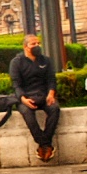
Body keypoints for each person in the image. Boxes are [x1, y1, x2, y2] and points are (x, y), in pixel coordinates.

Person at [10, 34, 60, 162]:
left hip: (44, 95)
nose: (37, 46)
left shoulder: (45, 60)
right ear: (25, 47)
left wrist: (51, 94)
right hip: (26, 97)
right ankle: (45, 144)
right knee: (27, 113)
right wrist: (23, 99)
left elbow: (51, 80)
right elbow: (16, 85)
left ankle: (44, 145)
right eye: (33, 44)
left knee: (54, 108)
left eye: (38, 43)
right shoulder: (17, 62)